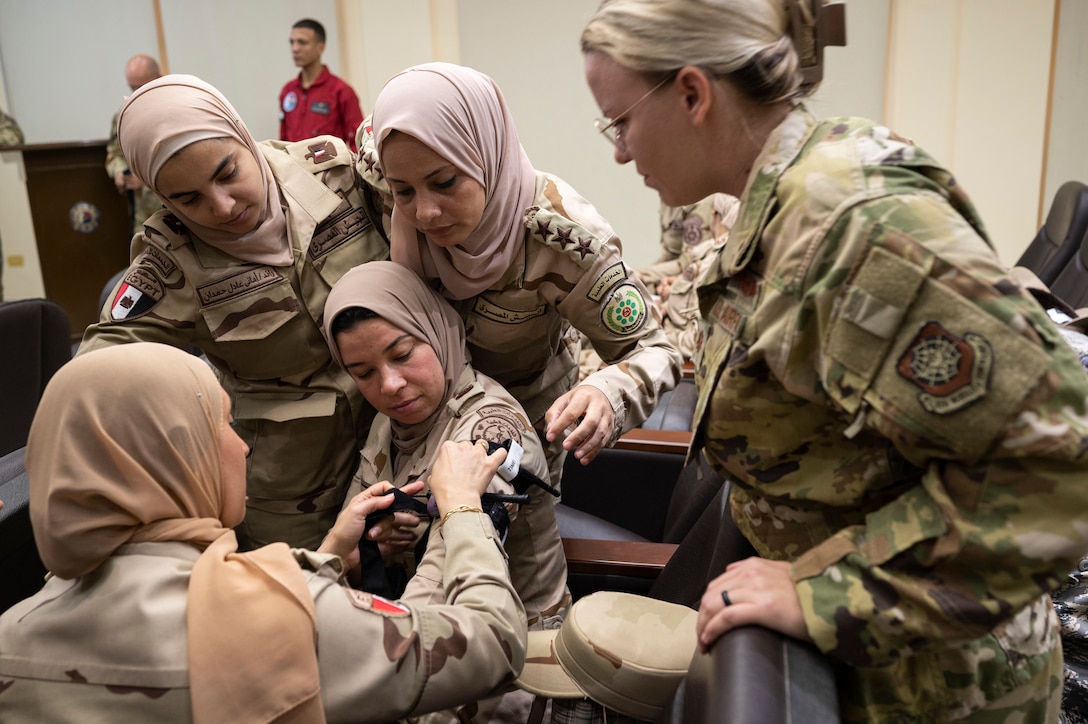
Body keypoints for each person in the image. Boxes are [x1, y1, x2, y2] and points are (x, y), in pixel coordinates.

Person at [581, 1, 1088, 722]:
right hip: (865, 662)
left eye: (619, 121)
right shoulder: (782, 207)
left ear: (692, 94)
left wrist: (823, 592)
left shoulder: (853, 226)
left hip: (943, 683)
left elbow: (1056, 469)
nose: (620, 151)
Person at [0, 342, 526, 722]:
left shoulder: (14, 635)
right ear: (175, 452)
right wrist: (461, 510)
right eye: (223, 424)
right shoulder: (287, 617)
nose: (242, 447)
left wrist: (328, 559)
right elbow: (494, 646)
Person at [77, 74, 390, 551]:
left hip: (396, 435)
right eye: (188, 199)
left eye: (228, 174)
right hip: (292, 491)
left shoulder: (333, 174)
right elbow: (95, 373)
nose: (222, 207)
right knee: (305, 610)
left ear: (245, 137)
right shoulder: (171, 261)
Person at [359, 62, 682, 487]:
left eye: (445, 182)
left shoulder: (563, 241)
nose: (425, 212)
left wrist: (607, 391)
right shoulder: (377, 178)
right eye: (405, 191)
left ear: (487, 154)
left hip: (514, 440)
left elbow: (655, 350)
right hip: (409, 429)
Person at [323, 260, 569, 722]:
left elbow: (445, 578)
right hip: (422, 638)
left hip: (514, 664)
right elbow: (363, 540)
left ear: (436, 330)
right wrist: (371, 551)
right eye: (363, 372)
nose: (390, 385)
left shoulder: (491, 430)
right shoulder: (392, 424)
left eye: (402, 354)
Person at [279, 18, 364, 152]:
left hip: (330, 170)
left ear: (320, 47)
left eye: (302, 42)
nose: (295, 48)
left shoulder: (341, 91)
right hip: (293, 169)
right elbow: (282, 141)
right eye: (292, 42)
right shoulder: (288, 91)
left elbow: (358, 141)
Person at [105, 54, 163, 237]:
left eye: (141, 86)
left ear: (158, 79)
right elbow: (114, 153)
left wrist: (144, 179)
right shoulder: (124, 115)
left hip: (175, 210)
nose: (136, 93)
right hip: (144, 218)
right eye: (132, 88)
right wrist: (121, 173)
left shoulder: (176, 109)